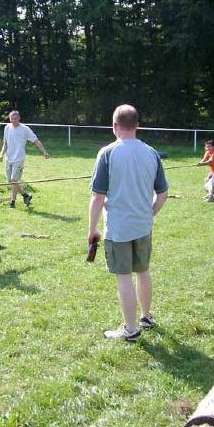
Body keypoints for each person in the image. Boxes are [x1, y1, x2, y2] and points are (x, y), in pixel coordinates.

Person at [88, 104, 168, 341]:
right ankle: (146, 317)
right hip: (143, 226)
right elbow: (162, 193)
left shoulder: (108, 153)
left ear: (114, 126)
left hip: (119, 229)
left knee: (124, 276)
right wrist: (150, 214)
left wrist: (92, 229)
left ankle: (131, 329)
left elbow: (97, 197)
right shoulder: (151, 152)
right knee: (143, 271)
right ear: (137, 126)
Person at [0, 110, 49, 208]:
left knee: (14, 180)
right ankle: (25, 195)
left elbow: (35, 141)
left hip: (19, 159)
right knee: (11, 181)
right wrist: (1, 154)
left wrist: (44, 152)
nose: (13, 120)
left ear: (19, 118)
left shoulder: (25, 129)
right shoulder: (7, 128)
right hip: (8, 158)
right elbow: (5, 143)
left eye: (15, 118)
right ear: (9, 119)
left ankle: (12, 202)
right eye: (11, 119)